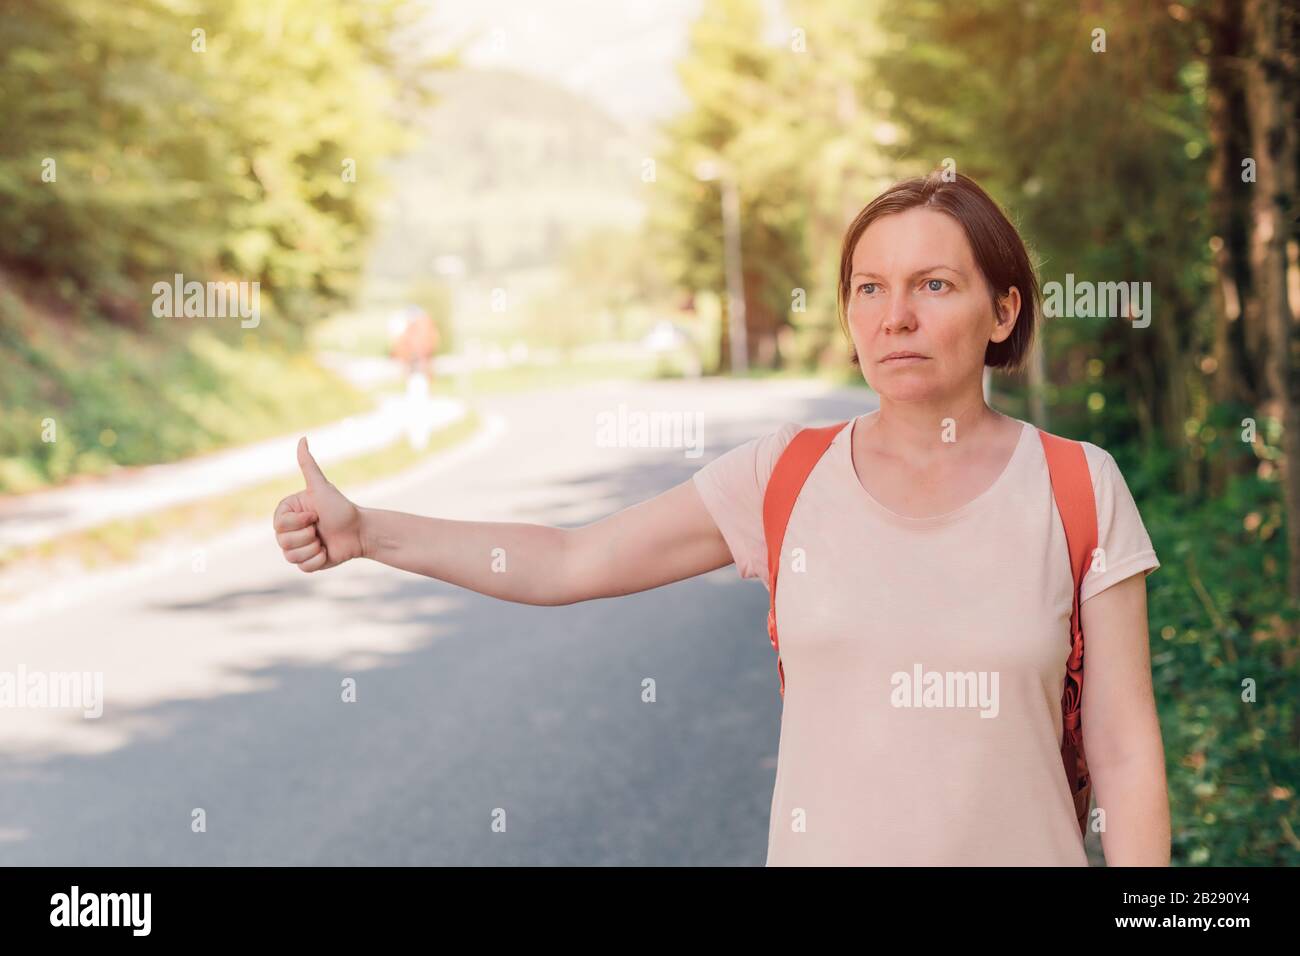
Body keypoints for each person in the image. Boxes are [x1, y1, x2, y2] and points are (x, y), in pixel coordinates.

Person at [272, 172, 1169, 866]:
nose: (895, 317)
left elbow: (1124, 754)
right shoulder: (786, 476)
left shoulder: (1076, 487)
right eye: (869, 288)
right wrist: (369, 533)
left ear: (1003, 311)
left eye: (933, 285)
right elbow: (569, 561)